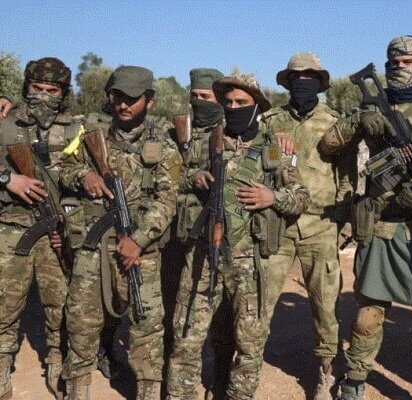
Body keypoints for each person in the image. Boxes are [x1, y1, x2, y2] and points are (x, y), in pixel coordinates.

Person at [319, 36, 412, 400]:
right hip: (383, 225)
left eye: (409, 62)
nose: (400, 68)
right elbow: (328, 144)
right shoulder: (372, 107)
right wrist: (360, 117)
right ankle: (354, 381)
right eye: (394, 63)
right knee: (367, 316)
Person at [223, 52, 349, 400]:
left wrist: (343, 219)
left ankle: (325, 374)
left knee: (325, 307)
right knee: (258, 304)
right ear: (288, 82)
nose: (302, 83)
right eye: (296, 78)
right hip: (275, 226)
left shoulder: (335, 123)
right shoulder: (270, 120)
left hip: (321, 226)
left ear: (319, 83)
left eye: (309, 77)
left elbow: (347, 177)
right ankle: (244, 373)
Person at [59, 66, 182, 400]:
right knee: (81, 321)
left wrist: (138, 241)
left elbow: (167, 201)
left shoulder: (164, 146)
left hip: (140, 251)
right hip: (93, 246)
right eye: (117, 97)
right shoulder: (88, 135)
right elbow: (64, 167)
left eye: (132, 98)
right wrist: (83, 175)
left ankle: (147, 392)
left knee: (146, 326)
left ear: (149, 102)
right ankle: (77, 390)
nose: (123, 105)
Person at [199, 74, 311, 400]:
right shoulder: (211, 142)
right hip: (212, 255)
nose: (233, 108)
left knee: (249, 341)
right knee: (219, 332)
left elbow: (301, 196)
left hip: (252, 261)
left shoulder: (272, 148)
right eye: (228, 102)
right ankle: (220, 383)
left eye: (241, 102)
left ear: (257, 106)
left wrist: (272, 197)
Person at [0, 57, 79, 400]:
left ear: (63, 93)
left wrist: (70, 227)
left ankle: (57, 362)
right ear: (26, 87)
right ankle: (2, 364)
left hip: (56, 232)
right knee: (5, 304)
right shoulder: (5, 123)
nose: (44, 96)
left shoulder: (76, 130)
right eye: (37, 88)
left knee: (59, 304)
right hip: (11, 227)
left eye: (52, 90)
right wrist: (7, 178)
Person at [166, 67, 236, 400]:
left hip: (217, 237)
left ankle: (221, 376)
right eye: (194, 96)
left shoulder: (233, 131)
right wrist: (191, 178)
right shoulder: (178, 131)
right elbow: (166, 176)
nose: (198, 102)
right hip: (178, 237)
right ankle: (176, 383)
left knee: (221, 316)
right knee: (180, 314)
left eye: (205, 97)